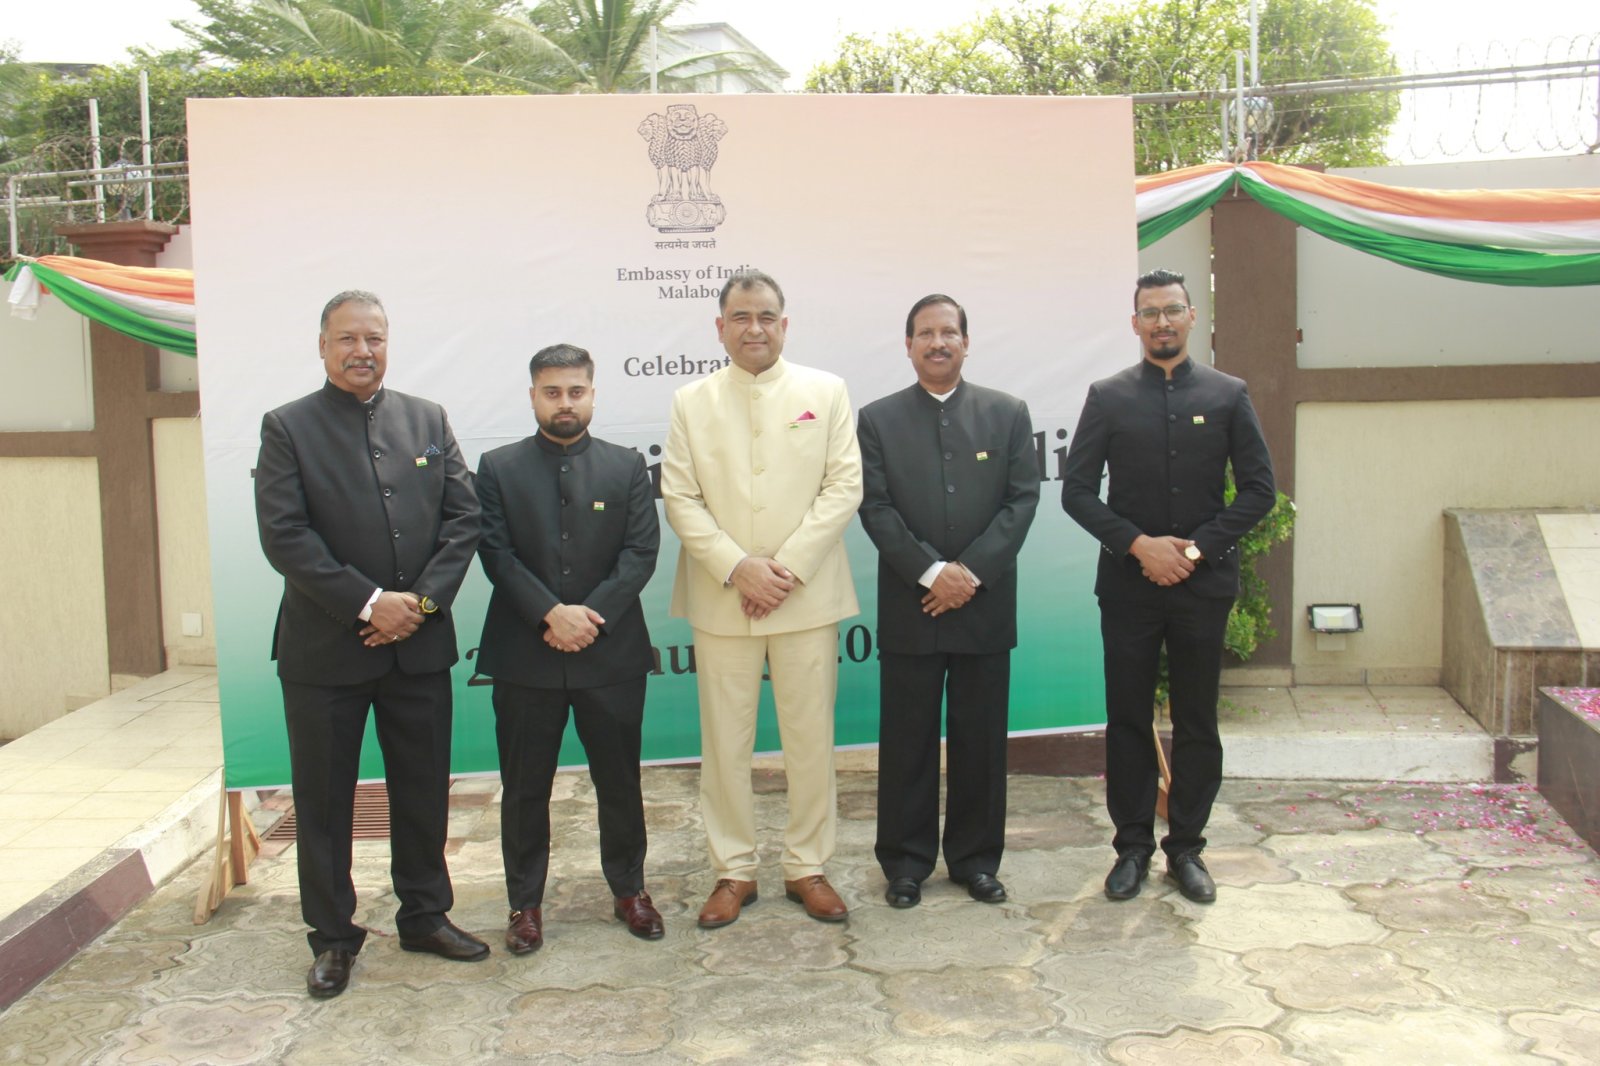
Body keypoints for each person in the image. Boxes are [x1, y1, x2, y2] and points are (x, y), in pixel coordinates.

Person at [254, 290, 486, 999]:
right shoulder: (288, 427)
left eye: (375, 338)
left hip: (416, 646)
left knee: (422, 791)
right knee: (324, 803)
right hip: (326, 653)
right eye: (348, 339)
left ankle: (425, 915)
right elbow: (285, 535)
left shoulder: (427, 419)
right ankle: (332, 938)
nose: (363, 351)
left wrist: (415, 605)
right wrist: (368, 602)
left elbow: (464, 517)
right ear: (322, 346)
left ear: (390, 343)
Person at [1060, 268, 1276, 904]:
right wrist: (1137, 545)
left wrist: (1196, 548)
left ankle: (1186, 849)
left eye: (1171, 310)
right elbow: (1076, 490)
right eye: (1149, 312)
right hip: (1129, 585)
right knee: (1126, 717)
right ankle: (1130, 848)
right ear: (1135, 324)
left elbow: (1261, 489)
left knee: (1197, 720)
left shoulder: (1229, 393)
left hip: (1201, 586)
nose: (1161, 321)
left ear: (1190, 316)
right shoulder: (1107, 396)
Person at [660, 270, 863, 928]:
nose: (755, 329)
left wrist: (785, 568)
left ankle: (807, 865)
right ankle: (733, 870)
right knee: (725, 742)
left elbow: (843, 488)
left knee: (811, 738)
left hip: (805, 596)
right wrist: (737, 566)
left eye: (767, 317)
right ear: (719, 327)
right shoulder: (692, 401)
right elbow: (681, 498)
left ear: (785, 323)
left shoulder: (825, 393)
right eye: (741, 317)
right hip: (723, 598)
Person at [474, 343, 663, 955]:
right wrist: (550, 614)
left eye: (575, 391)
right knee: (525, 786)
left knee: (619, 780)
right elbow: (496, 554)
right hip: (525, 654)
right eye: (552, 392)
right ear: (533, 395)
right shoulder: (497, 468)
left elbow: (640, 554)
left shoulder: (626, 466)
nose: (564, 403)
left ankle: (630, 890)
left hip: (610, 655)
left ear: (592, 393)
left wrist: (591, 617)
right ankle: (523, 905)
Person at [857, 294, 1039, 909]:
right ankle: (905, 864)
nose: (938, 343)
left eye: (949, 332)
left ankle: (976, 860)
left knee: (980, 740)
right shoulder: (877, 420)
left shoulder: (1008, 413)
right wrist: (933, 573)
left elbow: (1021, 503)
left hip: (984, 608)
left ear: (967, 342)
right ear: (907, 345)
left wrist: (969, 575)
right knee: (906, 740)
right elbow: (874, 508)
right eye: (925, 333)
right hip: (913, 605)